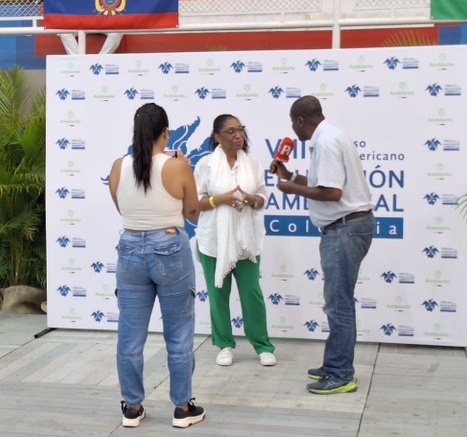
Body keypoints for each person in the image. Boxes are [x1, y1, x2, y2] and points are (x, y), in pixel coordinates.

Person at [108, 102, 205, 429]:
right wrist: (185, 169)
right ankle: (182, 407)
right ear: (166, 132)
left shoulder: (119, 166)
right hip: (170, 249)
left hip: (131, 249)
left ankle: (131, 407)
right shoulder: (178, 167)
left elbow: (122, 208)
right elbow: (192, 213)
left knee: (130, 336)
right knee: (178, 333)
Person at [269, 95, 374, 395]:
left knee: (339, 304)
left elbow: (332, 192)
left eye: (293, 123)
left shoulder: (326, 142)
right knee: (337, 301)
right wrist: (289, 176)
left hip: (345, 229)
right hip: (348, 228)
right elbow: (320, 181)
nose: (294, 130)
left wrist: (291, 189)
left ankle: (341, 375)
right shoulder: (329, 136)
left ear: (301, 121)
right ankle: (333, 364)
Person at [194, 114, 276, 368]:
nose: (238, 135)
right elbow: (194, 205)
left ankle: (262, 345)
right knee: (218, 294)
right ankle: (224, 345)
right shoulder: (205, 165)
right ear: (217, 137)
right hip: (213, 241)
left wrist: (253, 200)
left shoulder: (252, 163)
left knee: (252, 294)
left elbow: (263, 198)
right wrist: (222, 199)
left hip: (246, 241)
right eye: (230, 131)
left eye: (240, 129)